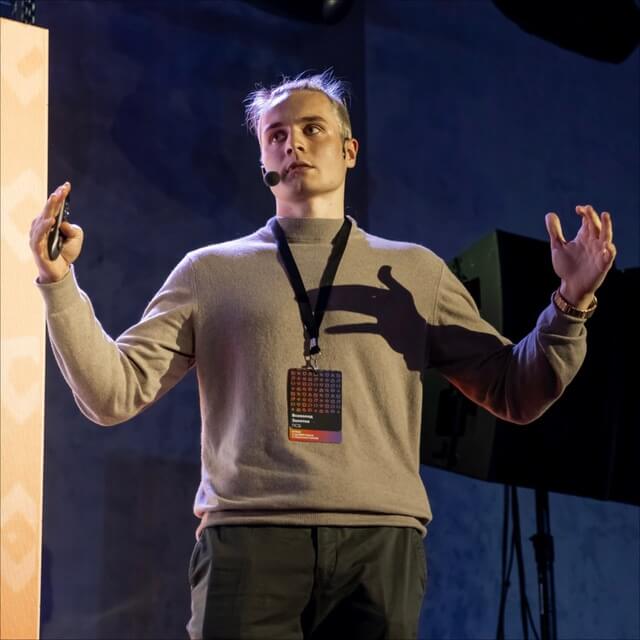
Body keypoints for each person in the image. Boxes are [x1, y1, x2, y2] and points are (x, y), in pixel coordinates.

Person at [29, 70, 616, 640]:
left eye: (312, 129)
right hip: (249, 544)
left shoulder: (415, 271)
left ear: (349, 150)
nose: (295, 144)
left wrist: (571, 301)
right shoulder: (208, 272)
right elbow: (112, 393)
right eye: (277, 135)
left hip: (378, 547)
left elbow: (516, 391)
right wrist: (58, 282)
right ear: (263, 160)